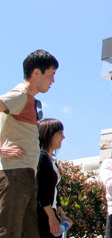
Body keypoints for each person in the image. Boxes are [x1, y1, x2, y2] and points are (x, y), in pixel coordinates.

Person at [0, 49, 58, 238]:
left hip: (25, 175)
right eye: (51, 75)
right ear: (36, 73)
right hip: (14, 174)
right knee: (8, 233)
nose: (53, 81)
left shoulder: (28, 100)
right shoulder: (20, 95)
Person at [36, 118, 73, 238]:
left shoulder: (51, 161)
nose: (63, 137)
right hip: (42, 215)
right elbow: (41, 191)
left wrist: (61, 213)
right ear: (49, 134)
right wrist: (51, 217)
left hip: (50, 213)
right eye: (60, 133)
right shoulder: (41, 157)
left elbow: (54, 191)